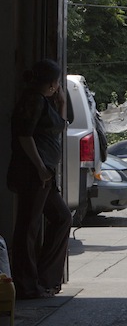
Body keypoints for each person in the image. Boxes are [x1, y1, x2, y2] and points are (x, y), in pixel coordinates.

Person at [8, 59, 72, 299]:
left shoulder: (44, 102)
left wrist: (63, 103)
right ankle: (27, 285)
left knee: (61, 217)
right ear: (53, 83)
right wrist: (40, 167)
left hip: (44, 174)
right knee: (28, 226)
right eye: (57, 83)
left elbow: (58, 128)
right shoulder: (33, 101)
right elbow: (25, 137)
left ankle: (44, 279)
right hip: (35, 174)